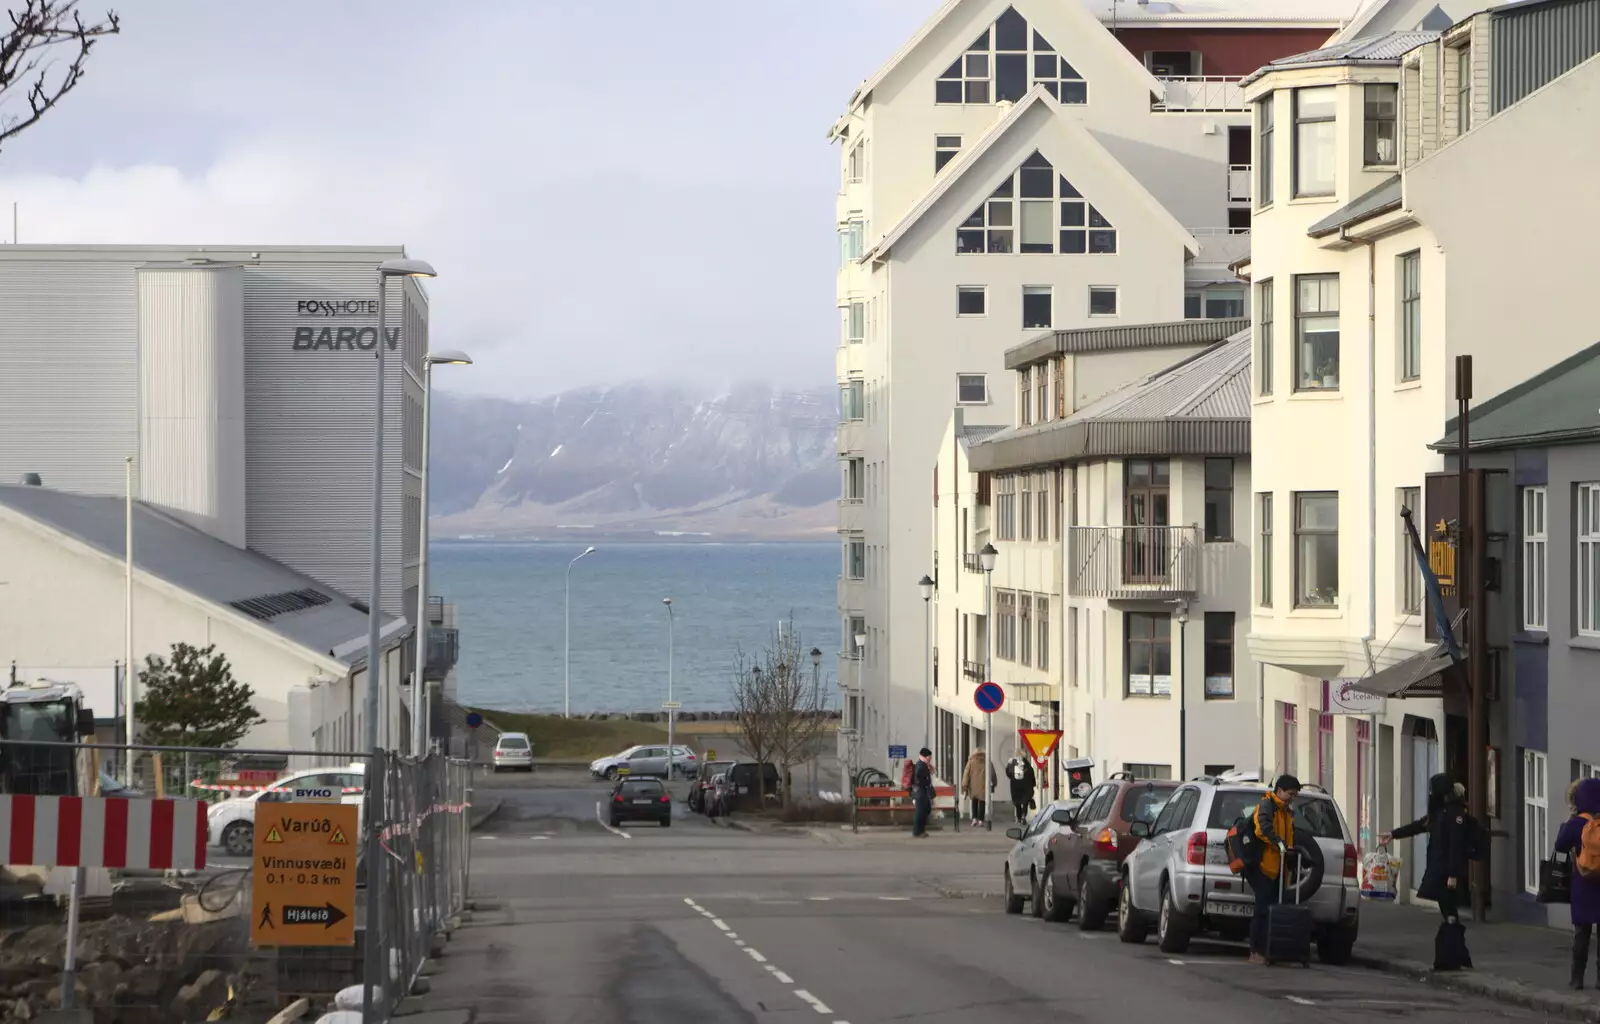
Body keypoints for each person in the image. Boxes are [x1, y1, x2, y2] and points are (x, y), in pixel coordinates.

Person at [1380, 773, 1477, 971]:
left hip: (1447, 871)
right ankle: (1458, 953)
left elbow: (1456, 847)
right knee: (1448, 910)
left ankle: (1455, 954)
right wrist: (1393, 834)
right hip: (1437, 868)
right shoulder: (1439, 812)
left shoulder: (1455, 814)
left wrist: (1453, 874)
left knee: (1450, 910)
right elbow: (1419, 825)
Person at [1244, 774, 1300, 965]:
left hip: (1278, 868)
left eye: (1295, 795)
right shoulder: (1267, 806)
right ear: (1279, 791)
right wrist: (1280, 844)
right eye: (1290, 794)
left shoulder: (1286, 811)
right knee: (1261, 909)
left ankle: (1270, 951)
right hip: (1262, 866)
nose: (1292, 798)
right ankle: (1255, 952)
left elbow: (1290, 835)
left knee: (1272, 910)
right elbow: (1262, 829)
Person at [1555, 776, 1600, 989]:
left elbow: (1560, 846)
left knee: (1582, 932)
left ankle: (1577, 979)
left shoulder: (1577, 823)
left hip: (1582, 884)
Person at [960, 750, 996, 828]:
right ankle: (981, 820)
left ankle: (974, 819)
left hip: (973, 786)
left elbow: (966, 774)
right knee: (982, 802)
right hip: (984, 785)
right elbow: (992, 773)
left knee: (974, 801)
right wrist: (994, 783)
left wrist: (964, 786)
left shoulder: (971, 762)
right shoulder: (987, 762)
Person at [910, 748, 935, 838]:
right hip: (920, 792)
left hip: (921, 791)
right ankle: (918, 831)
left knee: (925, 810)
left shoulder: (922, 764)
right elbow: (920, 779)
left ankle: (920, 830)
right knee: (921, 812)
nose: (930, 759)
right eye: (929, 757)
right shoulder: (921, 765)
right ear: (926, 756)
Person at [1007, 753, 1036, 824]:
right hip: (1027, 787)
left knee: (1017, 803)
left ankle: (1019, 818)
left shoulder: (1012, 766)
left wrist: (1009, 764)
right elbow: (1032, 776)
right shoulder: (1028, 765)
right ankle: (1023, 816)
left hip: (1016, 788)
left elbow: (1008, 773)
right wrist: (1033, 784)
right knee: (1025, 803)